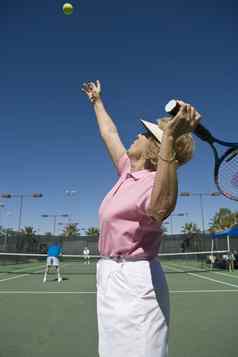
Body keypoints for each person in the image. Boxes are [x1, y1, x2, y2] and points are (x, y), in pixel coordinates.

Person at [82, 80, 200, 357]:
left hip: (136, 278)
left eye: (145, 133)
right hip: (109, 274)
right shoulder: (127, 173)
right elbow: (109, 133)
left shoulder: (155, 182)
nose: (137, 133)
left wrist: (169, 138)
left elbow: (161, 208)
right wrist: (97, 101)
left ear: (155, 148)